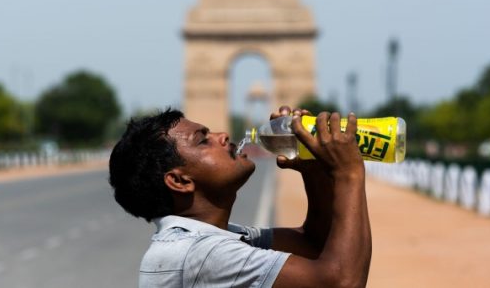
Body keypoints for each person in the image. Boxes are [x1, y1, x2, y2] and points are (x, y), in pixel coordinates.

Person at [108, 105, 372, 288]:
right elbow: (341, 282)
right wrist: (348, 174)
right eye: (203, 141)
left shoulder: (205, 240)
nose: (223, 135)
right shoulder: (200, 254)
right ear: (179, 181)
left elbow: (314, 244)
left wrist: (312, 169)